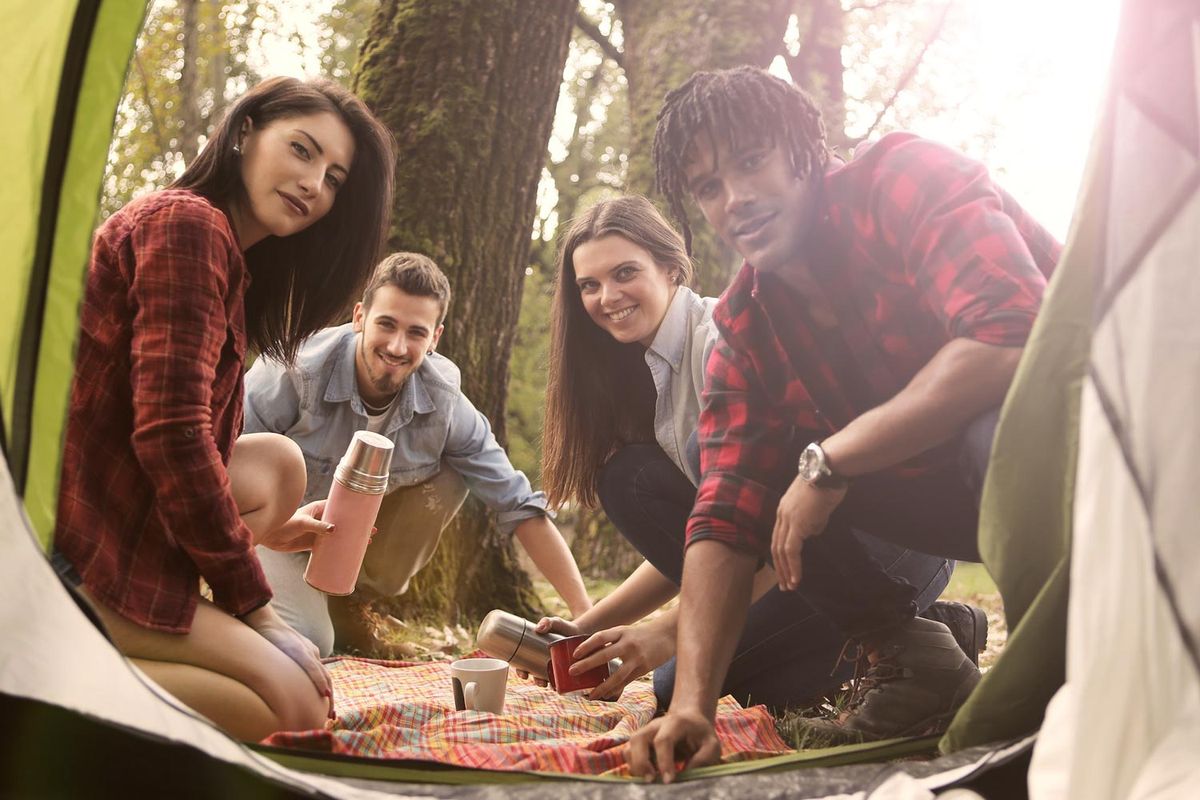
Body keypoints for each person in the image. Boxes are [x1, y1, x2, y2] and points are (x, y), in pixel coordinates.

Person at [628, 66, 1061, 781]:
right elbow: (724, 518)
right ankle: (913, 659)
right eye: (708, 186)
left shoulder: (904, 178)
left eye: (750, 161)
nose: (735, 199)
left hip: (1099, 457)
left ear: (802, 145)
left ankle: (1063, 684)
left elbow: (1012, 336)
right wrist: (694, 711)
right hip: (945, 497)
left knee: (997, 430)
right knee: (721, 462)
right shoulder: (745, 324)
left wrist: (829, 461)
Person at [52, 77, 396, 741]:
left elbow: (183, 441)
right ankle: (48, 669)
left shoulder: (227, 256)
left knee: (278, 464)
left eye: (333, 178)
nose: (312, 184)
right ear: (245, 133)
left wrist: (269, 534)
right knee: (293, 707)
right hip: (79, 547)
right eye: (301, 149)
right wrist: (256, 606)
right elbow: (172, 436)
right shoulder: (187, 226)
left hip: (124, 513)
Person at [536, 195, 970, 711]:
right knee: (627, 478)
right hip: (796, 554)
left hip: (876, 544)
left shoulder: (724, 339)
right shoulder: (650, 373)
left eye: (625, 272)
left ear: (673, 268)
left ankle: (918, 636)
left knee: (683, 684)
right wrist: (590, 627)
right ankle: (934, 629)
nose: (608, 296)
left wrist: (672, 630)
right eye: (589, 284)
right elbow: (713, 531)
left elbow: (782, 515)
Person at [244, 252, 592, 657]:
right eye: (386, 324)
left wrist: (585, 616)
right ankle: (295, 609)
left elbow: (518, 504)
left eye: (415, 332)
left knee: (457, 473)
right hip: (275, 534)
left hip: (363, 553)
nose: (396, 346)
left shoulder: (444, 401)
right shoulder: (292, 372)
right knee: (306, 645)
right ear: (360, 317)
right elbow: (223, 472)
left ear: (435, 338)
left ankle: (351, 602)